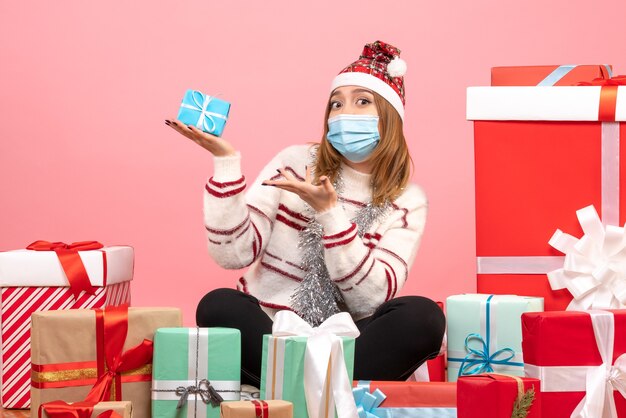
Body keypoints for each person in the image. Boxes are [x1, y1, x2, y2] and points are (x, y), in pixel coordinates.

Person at [165, 40, 446, 388]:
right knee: (217, 305)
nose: (345, 114)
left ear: (389, 117)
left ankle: (295, 389)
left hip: (350, 341)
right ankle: (329, 392)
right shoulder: (295, 162)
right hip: (271, 332)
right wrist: (225, 164)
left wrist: (330, 214)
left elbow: (372, 297)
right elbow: (233, 254)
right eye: (336, 104)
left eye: (362, 101)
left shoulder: (408, 200)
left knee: (424, 316)